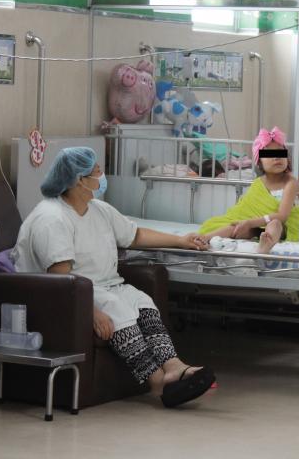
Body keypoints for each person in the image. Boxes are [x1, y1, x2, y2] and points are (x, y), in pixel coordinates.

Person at [11, 147, 215, 406]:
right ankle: (158, 383)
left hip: (105, 285)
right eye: (97, 172)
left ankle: (174, 366)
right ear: (79, 180)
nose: (102, 176)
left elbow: (134, 235)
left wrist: (181, 240)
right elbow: (60, 280)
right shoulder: (52, 218)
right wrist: (91, 311)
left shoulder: (98, 209)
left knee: (143, 303)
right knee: (116, 309)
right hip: (68, 291)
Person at [198, 127, 299, 253]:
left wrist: (249, 222)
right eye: (269, 154)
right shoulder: (258, 183)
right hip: (257, 227)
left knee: (275, 224)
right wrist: (245, 223)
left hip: (284, 228)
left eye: (281, 153)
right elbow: (245, 210)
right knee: (235, 226)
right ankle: (204, 238)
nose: (277, 157)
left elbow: (282, 216)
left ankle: (266, 245)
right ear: (259, 162)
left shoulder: (290, 183)